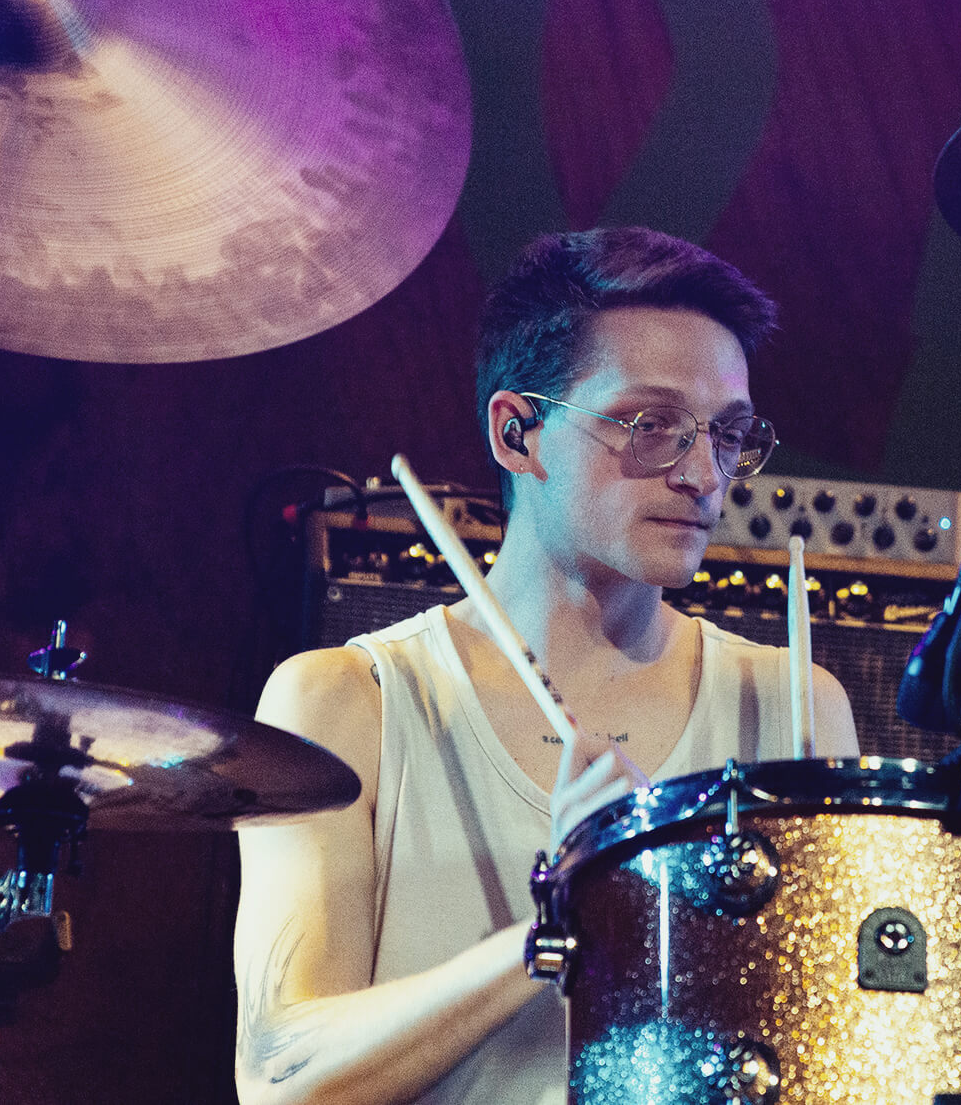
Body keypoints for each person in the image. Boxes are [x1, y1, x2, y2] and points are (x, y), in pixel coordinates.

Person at [233, 228, 859, 1105]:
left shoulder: (792, 705)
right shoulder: (346, 700)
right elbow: (278, 1078)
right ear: (517, 431)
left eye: (725, 433)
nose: (703, 473)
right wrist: (556, 919)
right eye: (651, 426)